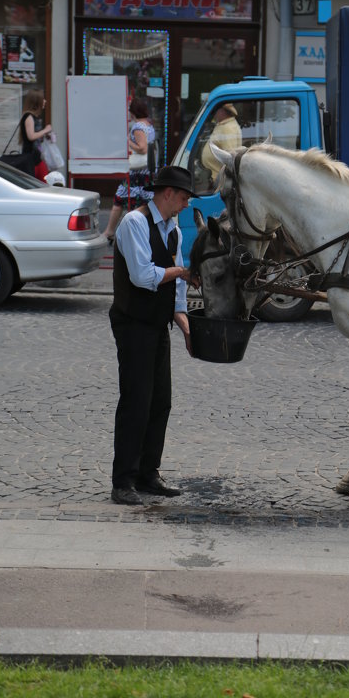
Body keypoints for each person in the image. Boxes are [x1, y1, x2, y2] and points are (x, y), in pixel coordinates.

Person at [109, 165, 200, 506]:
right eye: (184, 197)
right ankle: (123, 481)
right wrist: (181, 271)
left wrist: (185, 325)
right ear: (167, 194)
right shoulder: (135, 222)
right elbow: (143, 276)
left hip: (157, 324)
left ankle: (148, 473)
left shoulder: (173, 229)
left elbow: (175, 291)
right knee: (136, 401)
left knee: (160, 401)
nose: (187, 204)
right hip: (133, 323)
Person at [104, 98, 157, 242]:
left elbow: (142, 148)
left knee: (120, 200)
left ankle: (111, 231)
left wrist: (127, 141)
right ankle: (133, 232)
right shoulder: (149, 125)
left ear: (133, 112)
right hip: (146, 171)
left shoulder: (138, 127)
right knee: (142, 203)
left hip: (137, 172)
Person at [201, 103, 242, 184]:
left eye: (216, 110)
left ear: (222, 111)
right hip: (213, 176)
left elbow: (230, 158)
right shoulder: (224, 125)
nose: (214, 113)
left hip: (218, 180)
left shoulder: (228, 128)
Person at [19, 88, 52, 182]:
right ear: (37, 102)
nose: (45, 101)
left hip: (36, 158)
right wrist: (46, 130)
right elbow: (31, 136)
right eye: (43, 99)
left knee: (44, 182)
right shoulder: (28, 116)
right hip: (30, 159)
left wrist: (45, 135)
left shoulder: (33, 117)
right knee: (43, 183)